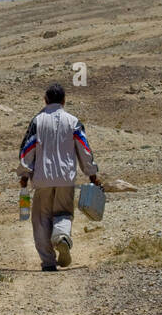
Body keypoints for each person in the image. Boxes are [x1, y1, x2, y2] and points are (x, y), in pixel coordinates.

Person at [17, 83, 100, 271]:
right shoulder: (73, 121)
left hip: (42, 178)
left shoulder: (37, 121)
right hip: (66, 178)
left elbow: (27, 150)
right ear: (64, 101)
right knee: (63, 213)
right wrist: (92, 174)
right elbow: (84, 150)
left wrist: (24, 174)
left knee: (41, 218)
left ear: (45, 100)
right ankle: (62, 237)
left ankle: (48, 261)